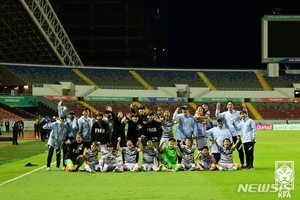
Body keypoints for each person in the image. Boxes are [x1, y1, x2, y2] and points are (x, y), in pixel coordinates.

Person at [215, 101, 247, 168]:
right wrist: (218, 108)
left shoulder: (238, 113)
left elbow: (244, 116)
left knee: (240, 149)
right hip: (228, 136)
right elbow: (217, 116)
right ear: (227, 106)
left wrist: (244, 108)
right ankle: (224, 163)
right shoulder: (225, 114)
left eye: (231, 104)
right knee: (225, 150)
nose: (230, 106)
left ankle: (242, 163)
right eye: (228, 105)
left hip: (236, 134)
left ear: (233, 106)